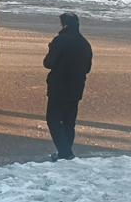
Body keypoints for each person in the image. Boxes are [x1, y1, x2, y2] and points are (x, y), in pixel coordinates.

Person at [43, 12, 92, 161]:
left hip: (59, 87)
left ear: (64, 25)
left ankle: (65, 153)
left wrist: (51, 49)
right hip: (76, 87)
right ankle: (66, 153)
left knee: (53, 119)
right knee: (69, 122)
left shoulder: (60, 41)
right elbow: (88, 68)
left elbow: (48, 63)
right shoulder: (84, 43)